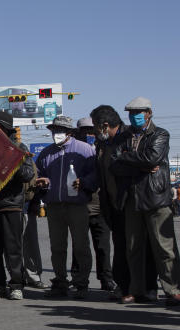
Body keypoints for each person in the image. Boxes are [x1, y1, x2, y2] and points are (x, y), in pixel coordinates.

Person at [109, 97, 180, 306]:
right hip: (131, 199)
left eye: (139, 112)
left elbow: (153, 158)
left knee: (164, 248)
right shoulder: (123, 137)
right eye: (131, 112)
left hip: (156, 197)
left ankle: (173, 289)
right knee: (133, 247)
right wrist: (138, 164)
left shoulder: (160, 134)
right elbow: (114, 164)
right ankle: (136, 290)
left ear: (149, 113)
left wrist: (127, 158)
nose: (134, 116)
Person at [90, 104, 158, 302]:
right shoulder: (102, 144)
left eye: (95, 126)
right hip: (113, 203)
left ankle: (148, 287)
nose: (94, 130)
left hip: (134, 201)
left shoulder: (130, 136)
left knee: (141, 246)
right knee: (120, 247)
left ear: (105, 125)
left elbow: (137, 164)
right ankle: (124, 285)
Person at [34, 116, 97, 298]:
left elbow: (95, 175)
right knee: (57, 247)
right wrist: (42, 182)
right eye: (54, 130)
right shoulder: (46, 153)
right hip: (54, 206)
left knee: (81, 247)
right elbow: (39, 174)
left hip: (77, 206)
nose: (56, 133)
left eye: (60, 130)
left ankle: (81, 284)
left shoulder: (85, 150)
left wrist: (84, 182)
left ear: (70, 132)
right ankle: (60, 281)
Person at [0, 112, 37, 299]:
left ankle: (16, 285)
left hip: (11, 205)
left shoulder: (19, 148)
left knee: (13, 248)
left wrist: (11, 160)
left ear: (6, 129)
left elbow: (27, 174)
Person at [69, 117, 116, 294]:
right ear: (77, 133)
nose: (89, 134)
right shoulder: (73, 153)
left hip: (100, 205)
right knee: (79, 246)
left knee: (103, 246)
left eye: (92, 131)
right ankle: (78, 279)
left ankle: (106, 279)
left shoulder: (103, 149)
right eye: (85, 131)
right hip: (79, 205)